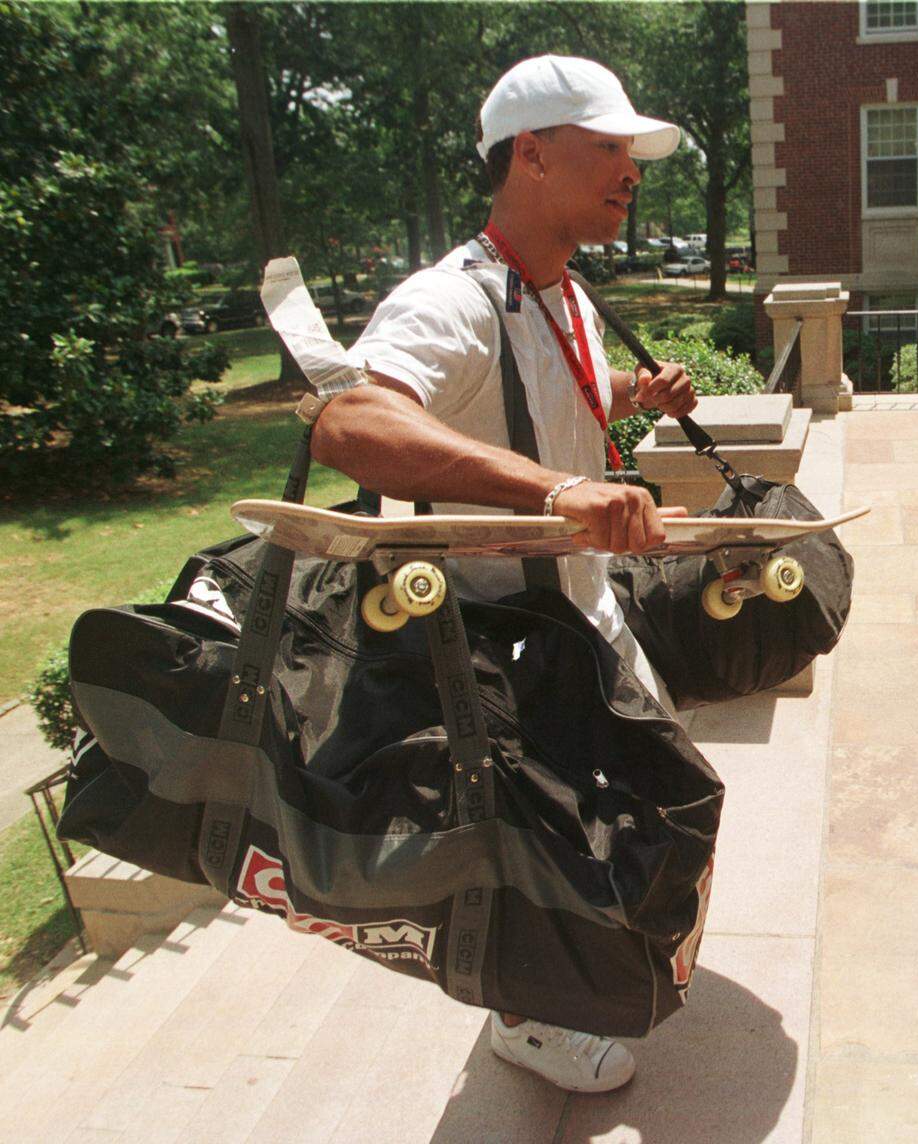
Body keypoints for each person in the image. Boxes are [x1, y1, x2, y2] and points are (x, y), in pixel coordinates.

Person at [309, 54, 698, 1094]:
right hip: (496, 648)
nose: (631, 171)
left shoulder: (564, 290)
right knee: (526, 846)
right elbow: (349, 421)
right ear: (531, 155)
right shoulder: (450, 298)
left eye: (633, 151)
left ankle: (589, 966)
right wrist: (558, 491)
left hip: (582, 614)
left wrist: (635, 393)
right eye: (608, 147)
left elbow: (547, 397)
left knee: (638, 802)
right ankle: (524, 1019)